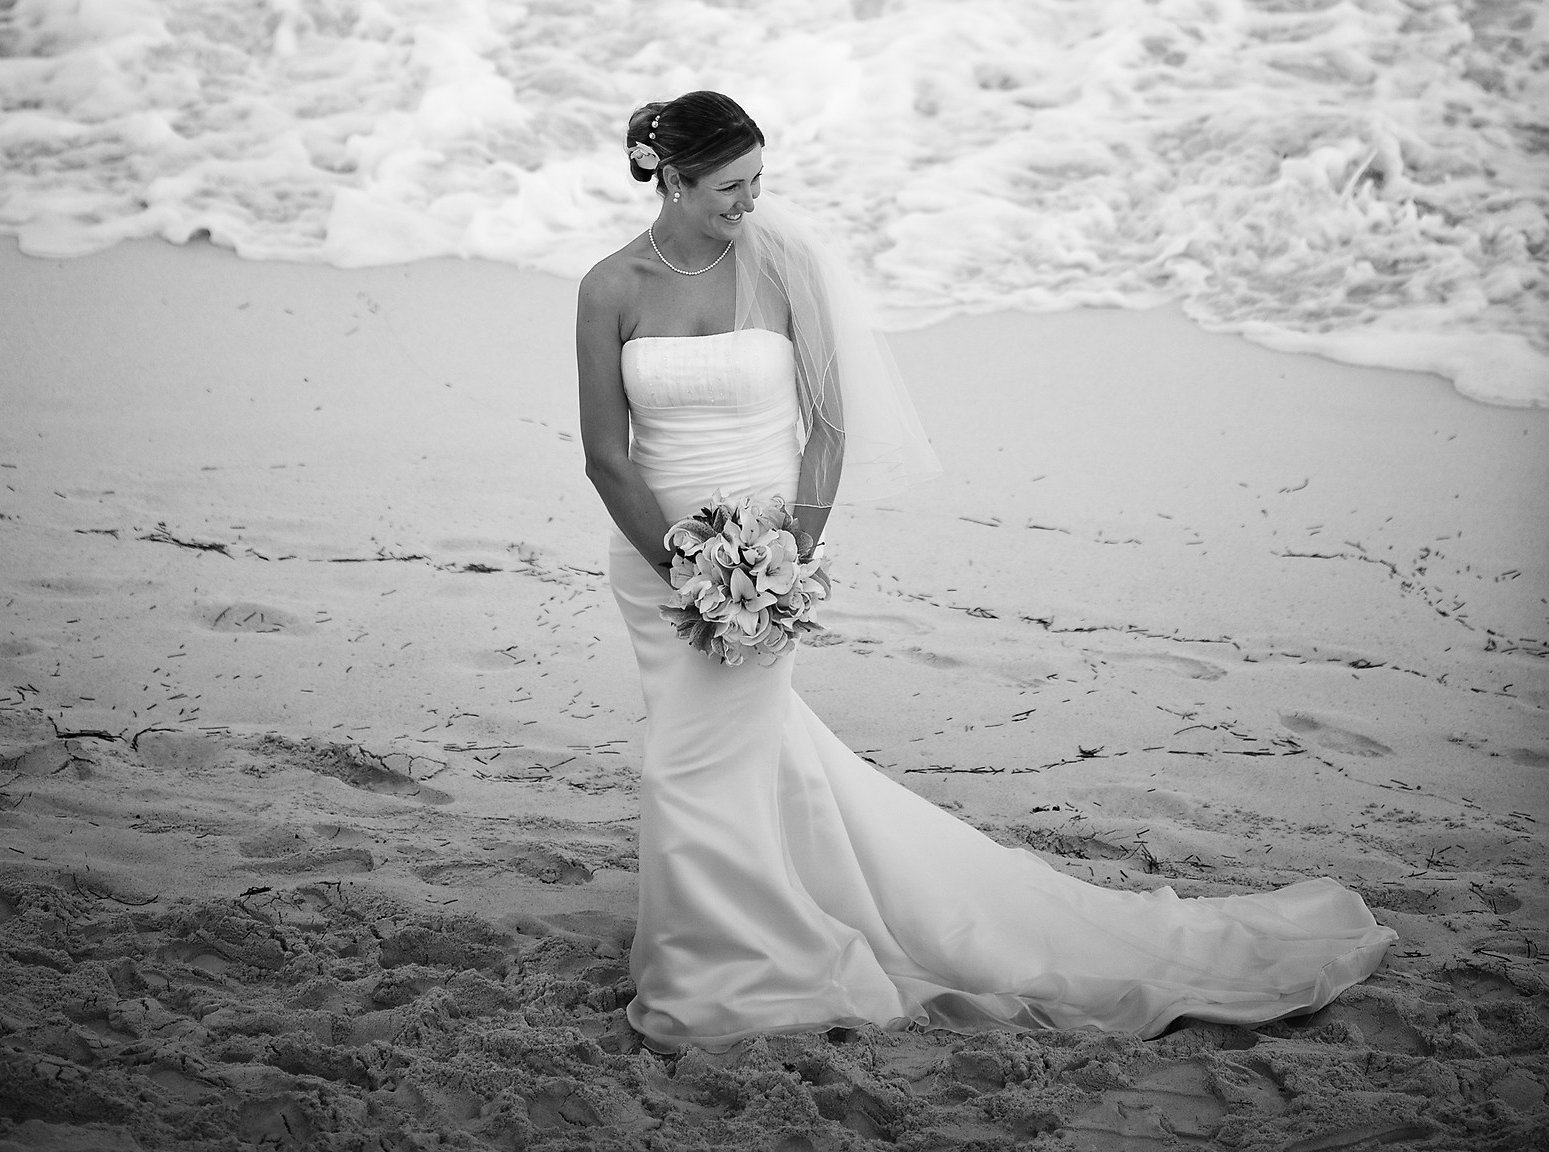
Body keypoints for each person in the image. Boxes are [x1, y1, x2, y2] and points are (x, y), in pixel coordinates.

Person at [577, 88, 1394, 1048]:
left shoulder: (783, 261)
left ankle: (717, 956)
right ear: (670, 177)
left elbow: (828, 424)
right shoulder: (609, 287)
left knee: (716, 751)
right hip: (659, 561)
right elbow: (605, 453)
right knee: (699, 747)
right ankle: (727, 942)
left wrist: (786, 555)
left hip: (769, 551)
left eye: (759, 181)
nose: (750, 202)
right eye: (728, 187)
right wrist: (681, 567)